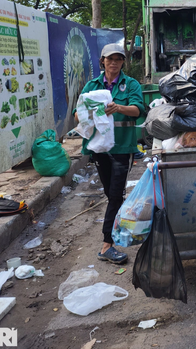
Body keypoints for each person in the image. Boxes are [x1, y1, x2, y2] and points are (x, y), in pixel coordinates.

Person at [74, 44, 145, 264]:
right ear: (102, 61)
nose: (114, 63)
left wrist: (119, 108)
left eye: (119, 59)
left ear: (123, 62)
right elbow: (78, 115)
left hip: (122, 148)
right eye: (110, 59)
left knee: (116, 194)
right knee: (110, 193)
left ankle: (107, 245)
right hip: (99, 149)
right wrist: (88, 114)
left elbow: (139, 111)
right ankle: (116, 226)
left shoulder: (130, 84)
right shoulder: (92, 86)